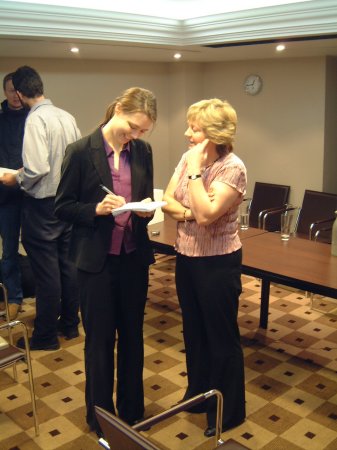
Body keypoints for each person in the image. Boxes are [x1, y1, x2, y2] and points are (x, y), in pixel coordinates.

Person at [54, 87, 157, 436]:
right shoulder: (81, 151)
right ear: (118, 110)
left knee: (132, 336)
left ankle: (131, 410)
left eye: (142, 131)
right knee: (99, 342)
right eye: (132, 126)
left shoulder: (142, 151)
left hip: (133, 259)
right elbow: (62, 207)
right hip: (95, 262)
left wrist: (144, 210)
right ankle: (101, 417)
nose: (135, 135)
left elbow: (145, 195)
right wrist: (94, 210)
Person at [162, 98, 247, 437]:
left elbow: (210, 215)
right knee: (194, 331)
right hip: (187, 257)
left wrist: (197, 174)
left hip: (218, 264)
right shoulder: (187, 157)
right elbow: (168, 198)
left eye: (194, 129)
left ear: (214, 133)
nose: (187, 133)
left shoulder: (232, 167)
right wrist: (189, 213)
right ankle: (198, 394)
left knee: (220, 337)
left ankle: (228, 411)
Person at [0, 65, 81, 350]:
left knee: (47, 274)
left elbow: (36, 169)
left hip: (42, 207)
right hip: (67, 203)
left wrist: (15, 177)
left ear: (19, 94)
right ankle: (70, 324)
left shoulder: (35, 121)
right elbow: (73, 161)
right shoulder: (66, 116)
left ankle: (45, 336)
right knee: (67, 266)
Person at [0, 73, 28, 319]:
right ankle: (13, 297)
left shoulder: (35, 117)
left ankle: (47, 295)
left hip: (32, 194)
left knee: (37, 247)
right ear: (5, 92)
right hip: (4, 197)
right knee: (9, 249)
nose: (16, 95)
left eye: (19, 90)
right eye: (11, 90)